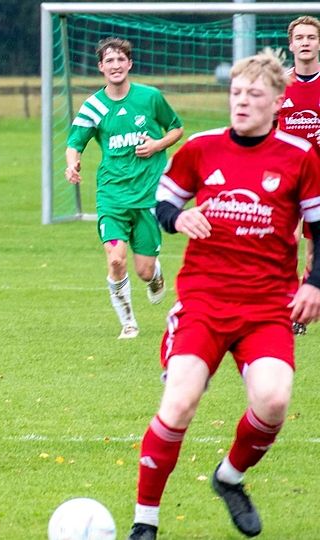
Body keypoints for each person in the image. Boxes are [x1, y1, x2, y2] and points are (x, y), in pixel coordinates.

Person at [126, 52, 320, 540]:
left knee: (274, 402)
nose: (243, 102)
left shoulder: (299, 157)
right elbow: (166, 200)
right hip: (204, 302)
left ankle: (229, 477)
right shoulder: (201, 148)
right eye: (236, 93)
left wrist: (314, 284)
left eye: (255, 95)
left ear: (278, 102)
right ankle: (144, 522)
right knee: (180, 403)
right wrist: (178, 217)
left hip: (267, 307)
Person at [65, 37, 184, 339]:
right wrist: (72, 164)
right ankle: (128, 322)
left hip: (147, 195)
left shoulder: (150, 97)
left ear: (129, 64)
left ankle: (155, 276)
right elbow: (74, 142)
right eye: (110, 61)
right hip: (112, 195)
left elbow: (176, 128)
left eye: (121, 60)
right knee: (116, 260)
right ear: (101, 67)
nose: (115, 65)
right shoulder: (93, 106)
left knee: (144, 269)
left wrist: (157, 144)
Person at [277, 15, 320, 336]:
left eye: (311, 37)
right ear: (291, 45)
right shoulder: (280, 85)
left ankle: (305, 302)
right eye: (300, 38)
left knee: (313, 251)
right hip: (288, 179)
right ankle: (289, 308)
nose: (305, 42)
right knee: (285, 242)